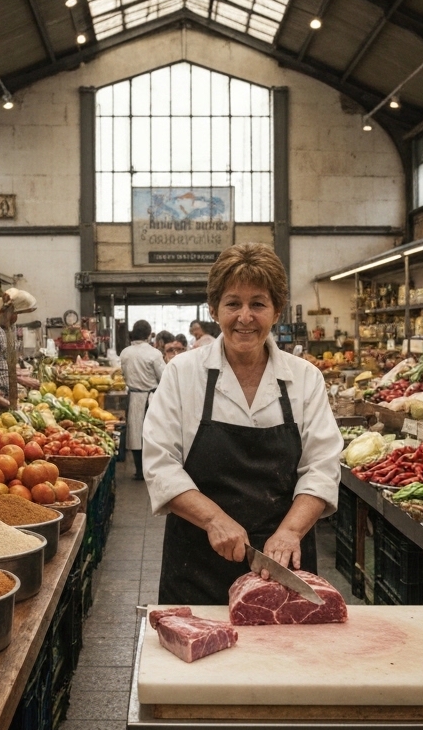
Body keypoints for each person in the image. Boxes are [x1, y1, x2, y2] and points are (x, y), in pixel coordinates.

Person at [143, 243, 342, 605]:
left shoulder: (304, 378)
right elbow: (160, 464)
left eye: (258, 304)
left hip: (281, 565)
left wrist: (291, 531)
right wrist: (214, 520)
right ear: (214, 309)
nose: (245, 317)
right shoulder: (182, 374)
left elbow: (322, 466)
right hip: (197, 562)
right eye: (233, 303)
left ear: (277, 310)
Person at [119, 320, 166, 481]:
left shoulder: (125, 353)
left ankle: (139, 470)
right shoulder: (154, 354)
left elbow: (121, 375)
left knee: (135, 435)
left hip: (132, 397)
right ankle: (152, 470)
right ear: (148, 334)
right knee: (152, 435)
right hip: (152, 398)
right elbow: (164, 377)